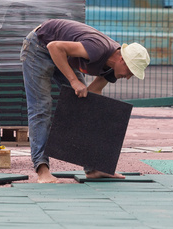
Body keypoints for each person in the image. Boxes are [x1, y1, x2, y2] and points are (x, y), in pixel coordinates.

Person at [20, 19, 150, 183]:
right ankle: (42, 170)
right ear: (122, 60)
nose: (129, 77)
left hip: (60, 54)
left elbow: (92, 93)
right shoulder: (98, 49)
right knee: (41, 108)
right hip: (38, 47)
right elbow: (54, 46)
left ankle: (93, 169)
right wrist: (74, 81)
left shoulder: (112, 68)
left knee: (85, 103)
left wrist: (100, 120)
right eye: (131, 71)